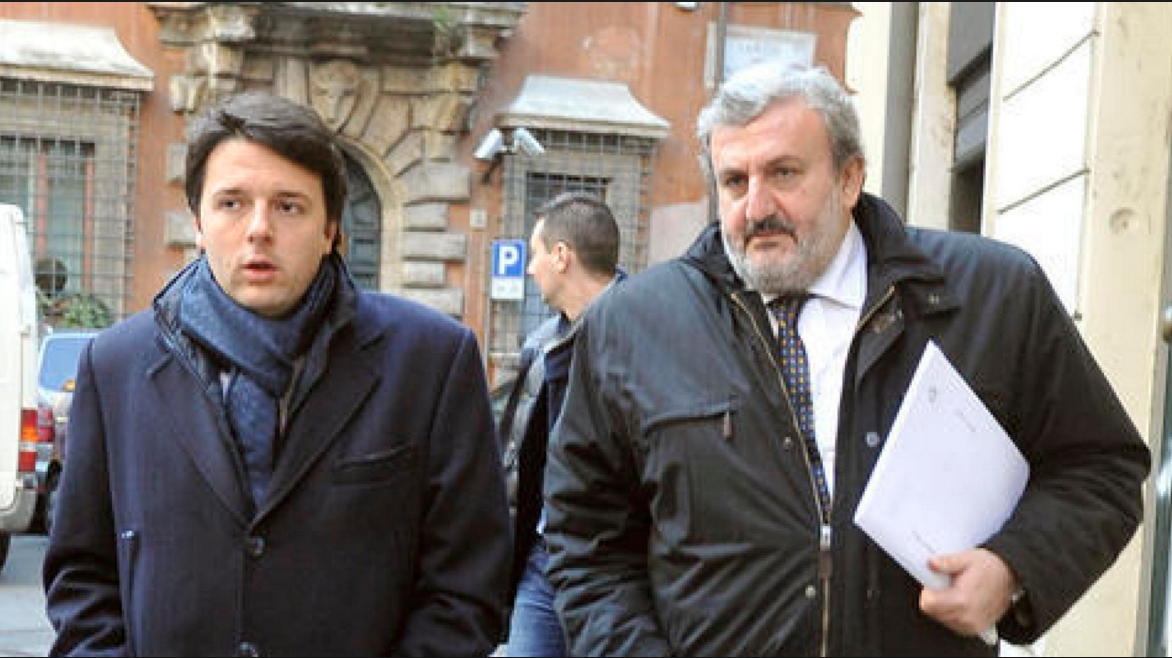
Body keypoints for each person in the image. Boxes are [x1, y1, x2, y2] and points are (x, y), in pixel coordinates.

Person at [542, 61, 1151, 656]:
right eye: (734, 181)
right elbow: (585, 540)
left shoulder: (991, 295)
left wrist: (1012, 567)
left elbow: (1101, 469)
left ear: (849, 178)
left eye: (783, 173)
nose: (756, 207)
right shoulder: (633, 325)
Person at [43, 91, 511, 657]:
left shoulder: (430, 362)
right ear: (198, 221)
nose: (258, 229)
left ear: (331, 227)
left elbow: (467, 588)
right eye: (232, 203)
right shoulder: (116, 365)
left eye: (289, 206)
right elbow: (82, 578)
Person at [497, 192, 623, 656]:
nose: (530, 269)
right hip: (544, 561)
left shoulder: (648, 332)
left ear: (562, 256)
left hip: (619, 568)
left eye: (535, 254)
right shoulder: (540, 343)